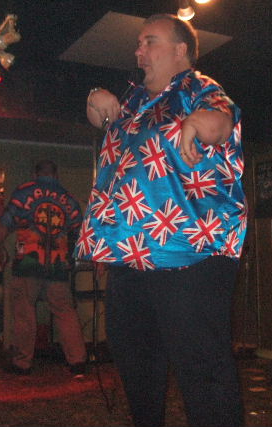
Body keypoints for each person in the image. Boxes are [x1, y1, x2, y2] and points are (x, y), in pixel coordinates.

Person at [77, 14, 247, 427]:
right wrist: (95, 95)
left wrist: (194, 123)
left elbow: (220, 122)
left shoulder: (200, 89)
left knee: (202, 368)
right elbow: (98, 114)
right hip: (130, 256)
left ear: (180, 50)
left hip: (188, 254)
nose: (138, 52)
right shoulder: (132, 102)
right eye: (137, 44)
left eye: (148, 41)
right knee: (137, 367)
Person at [0, 160, 87, 376]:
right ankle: (78, 361)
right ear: (56, 174)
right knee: (65, 311)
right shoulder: (69, 199)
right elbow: (79, 232)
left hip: (28, 263)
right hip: (57, 265)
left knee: (24, 311)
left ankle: (22, 362)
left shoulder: (25, 191)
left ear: (36, 173)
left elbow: (5, 222)